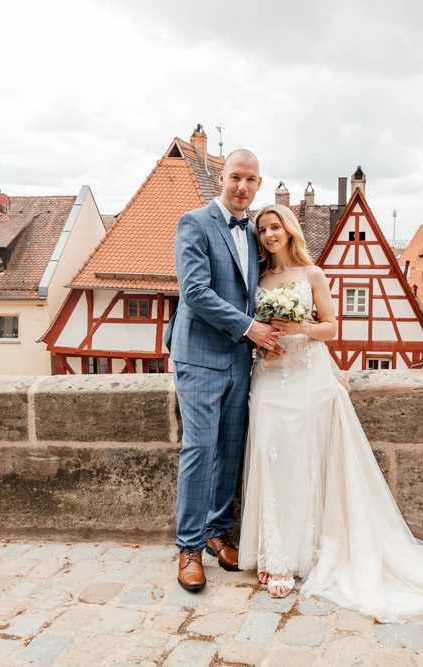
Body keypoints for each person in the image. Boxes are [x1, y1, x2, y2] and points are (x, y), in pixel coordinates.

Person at [238, 204, 423, 622]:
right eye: (262, 230)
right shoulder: (256, 280)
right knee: (267, 457)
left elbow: (331, 327)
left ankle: (295, 556)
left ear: (289, 230)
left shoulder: (312, 275)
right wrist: (264, 340)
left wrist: (299, 328)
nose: (269, 235)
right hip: (269, 376)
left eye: (275, 227)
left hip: (307, 378)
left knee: (303, 462)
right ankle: (271, 549)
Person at [163, 149, 285, 592]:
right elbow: (194, 291)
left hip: (239, 357)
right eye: (236, 177)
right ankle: (189, 546)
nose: (243, 187)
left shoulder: (253, 232)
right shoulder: (194, 222)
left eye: (251, 181)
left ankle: (217, 533)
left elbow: (255, 291)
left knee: (231, 449)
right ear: (222, 177)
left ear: (258, 184)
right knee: (200, 449)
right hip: (198, 355)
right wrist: (251, 328)